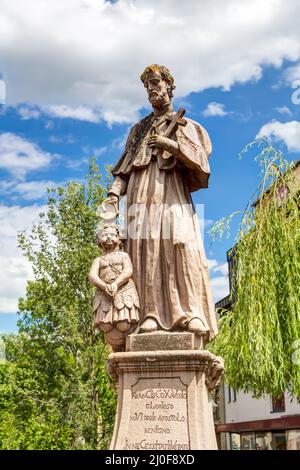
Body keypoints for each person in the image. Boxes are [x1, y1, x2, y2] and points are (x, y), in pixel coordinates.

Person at [105, 64, 217, 341]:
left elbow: (201, 162)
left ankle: (190, 313)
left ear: (169, 86)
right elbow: (124, 169)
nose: (152, 89)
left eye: (156, 82)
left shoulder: (186, 124)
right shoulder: (138, 130)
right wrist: (112, 195)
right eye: (147, 86)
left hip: (171, 192)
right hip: (140, 195)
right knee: (146, 251)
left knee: (180, 245)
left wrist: (172, 147)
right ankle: (150, 314)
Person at [88, 224, 139, 349]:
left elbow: (128, 270)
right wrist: (104, 286)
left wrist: (116, 284)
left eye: (112, 235)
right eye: (104, 235)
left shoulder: (123, 256)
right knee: (106, 325)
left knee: (124, 324)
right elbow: (92, 276)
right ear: (99, 240)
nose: (108, 237)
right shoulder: (99, 259)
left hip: (123, 291)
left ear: (119, 238)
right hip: (104, 294)